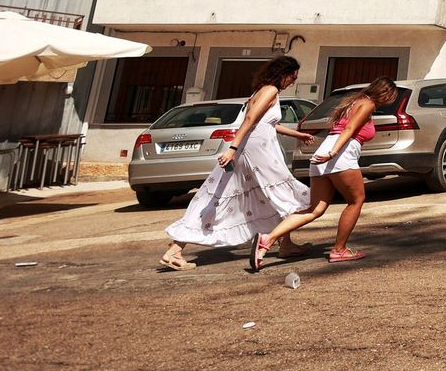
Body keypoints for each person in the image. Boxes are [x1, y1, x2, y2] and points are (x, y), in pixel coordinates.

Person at [159, 55, 314, 270]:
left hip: (253, 150)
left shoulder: (260, 91)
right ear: (282, 74)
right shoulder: (270, 90)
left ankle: (285, 244)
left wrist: (298, 135)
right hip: (257, 153)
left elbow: (268, 124)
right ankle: (174, 251)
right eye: (292, 77)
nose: (293, 81)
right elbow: (250, 119)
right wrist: (232, 149)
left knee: (256, 196)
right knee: (282, 194)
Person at [250, 75, 397, 268]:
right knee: (356, 201)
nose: (391, 100)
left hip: (322, 154)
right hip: (339, 155)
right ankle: (339, 249)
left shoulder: (353, 102)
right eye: (391, 96)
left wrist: (329, 152)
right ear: (385, 93)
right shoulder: (368, 104)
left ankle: (267, 239)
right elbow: (350, 129)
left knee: (315, 209)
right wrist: (333, 153)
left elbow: (343, 128)